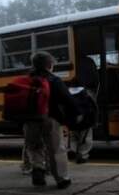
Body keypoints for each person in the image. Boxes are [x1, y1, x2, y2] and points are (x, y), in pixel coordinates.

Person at [23, 51, 81, 189]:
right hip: (51, 119)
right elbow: (68, 100)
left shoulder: (26, 80)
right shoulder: (54, 80)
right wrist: (76, 114)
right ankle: (62, 179)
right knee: (56, 150)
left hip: (30, 120)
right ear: (49, 65)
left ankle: (38, 168)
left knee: (35, 147)